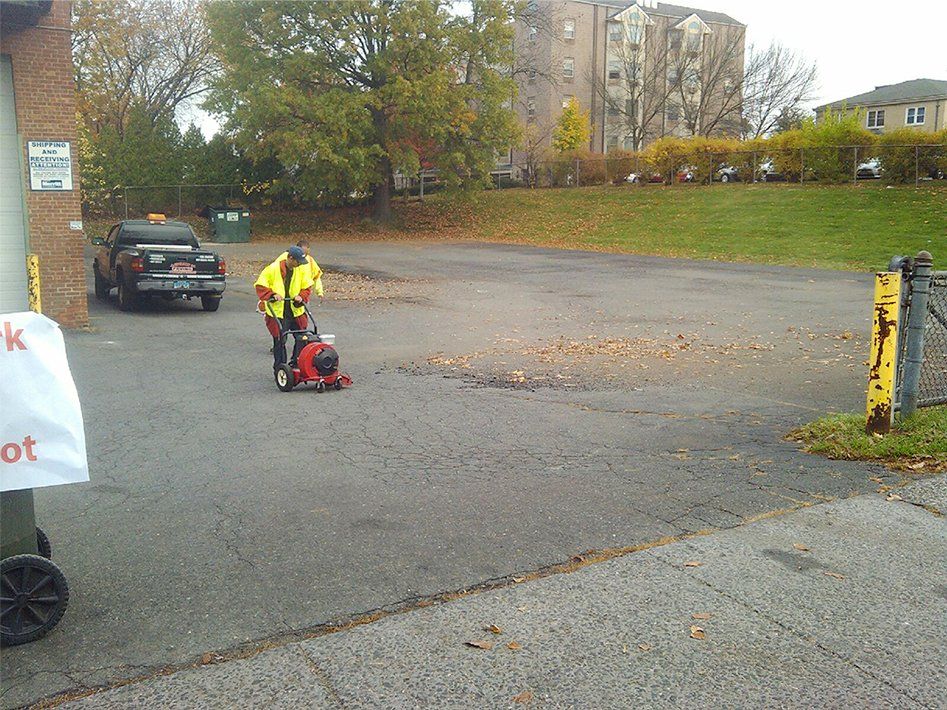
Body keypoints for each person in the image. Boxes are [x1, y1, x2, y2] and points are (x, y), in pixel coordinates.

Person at [254, 246, 315, 370]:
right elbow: (260, 286)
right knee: (279, 340)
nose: (299, 264)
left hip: (295, 311)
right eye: (297, 261)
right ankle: (280, 368)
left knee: (302, 337)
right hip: (278, 312)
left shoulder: (301, 270)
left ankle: (297, 362)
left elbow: (307, 287)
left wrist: (301, 296)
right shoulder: (272, 269)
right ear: (290, 258)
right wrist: (272, 295)